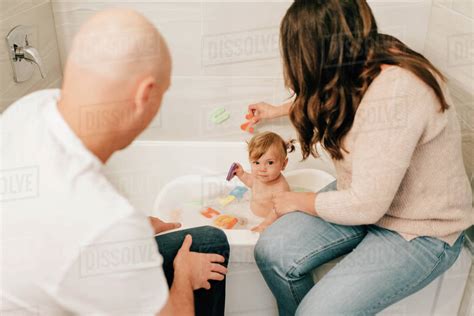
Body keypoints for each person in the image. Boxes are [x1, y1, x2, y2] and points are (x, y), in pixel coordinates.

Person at [249, 1, 473, 315]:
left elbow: (366, 204)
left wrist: (297, 201)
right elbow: (331, 92)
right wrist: (278, 110)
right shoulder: (360, 59)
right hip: (368, 199)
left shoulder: (399, 91)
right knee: (272, 251)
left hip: (420, 227)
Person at [1, 9, 229, 316]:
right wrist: (184, 275)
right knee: (199, 256)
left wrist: (132, 238)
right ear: (144, 95)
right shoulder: (106, 220)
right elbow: (88, 227)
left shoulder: (29, 108)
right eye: (163, 94)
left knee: (207, 240)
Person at [233, 132, 295, 232]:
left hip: (269, 222)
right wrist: (241, 174)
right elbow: (251, 182)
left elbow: (278, 210)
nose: (262, 169)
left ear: (283, 164)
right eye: (256, 162)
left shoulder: (280, 188)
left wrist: (264, 225)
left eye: (270, 163)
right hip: (252, 216)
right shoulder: (259, 176)